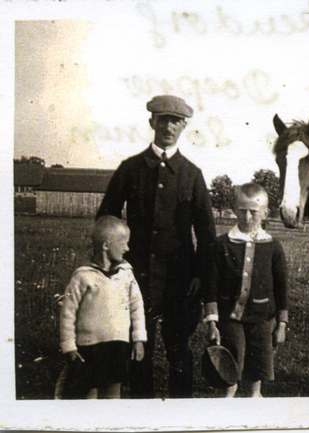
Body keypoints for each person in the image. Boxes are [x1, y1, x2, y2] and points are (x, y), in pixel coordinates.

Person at [96, 95, 217, 398]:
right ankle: (141, 415)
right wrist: (112, 266)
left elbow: (207, 235)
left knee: (179, 353)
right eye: (163, 120)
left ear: (184, 127)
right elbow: (105, 220)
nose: (168, 127)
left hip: (181, 282)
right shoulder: (130, 169)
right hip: (136, 279)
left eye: (175, 121)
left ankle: (180, 417)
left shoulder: (192, 175)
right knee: (139, 350)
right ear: (152, 122)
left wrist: (201, 278)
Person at [204, 183, 288, 397]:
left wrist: (282, 324)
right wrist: (212, 323)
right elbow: (211, 286)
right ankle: (227, 402)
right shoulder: (222, 245)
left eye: (254, 211)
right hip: (230, 317)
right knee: (231, 363)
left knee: (257, 366)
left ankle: (254, 401)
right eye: (242, 210)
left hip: (262, 319)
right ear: (234, 209)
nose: (247, 217)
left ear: (265, 212)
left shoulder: (273, 247)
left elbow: (282, 288)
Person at [59, 216, 146, 399]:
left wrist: (138, 339)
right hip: (89, 346)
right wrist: (69, 346)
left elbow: (137, 307)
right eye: (123, 242)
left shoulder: (126, 275)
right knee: (89, 392)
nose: (127, 248)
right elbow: (68, 313)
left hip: (118, 345)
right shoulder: (83, 277)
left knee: (113, 392)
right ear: (106, 245)